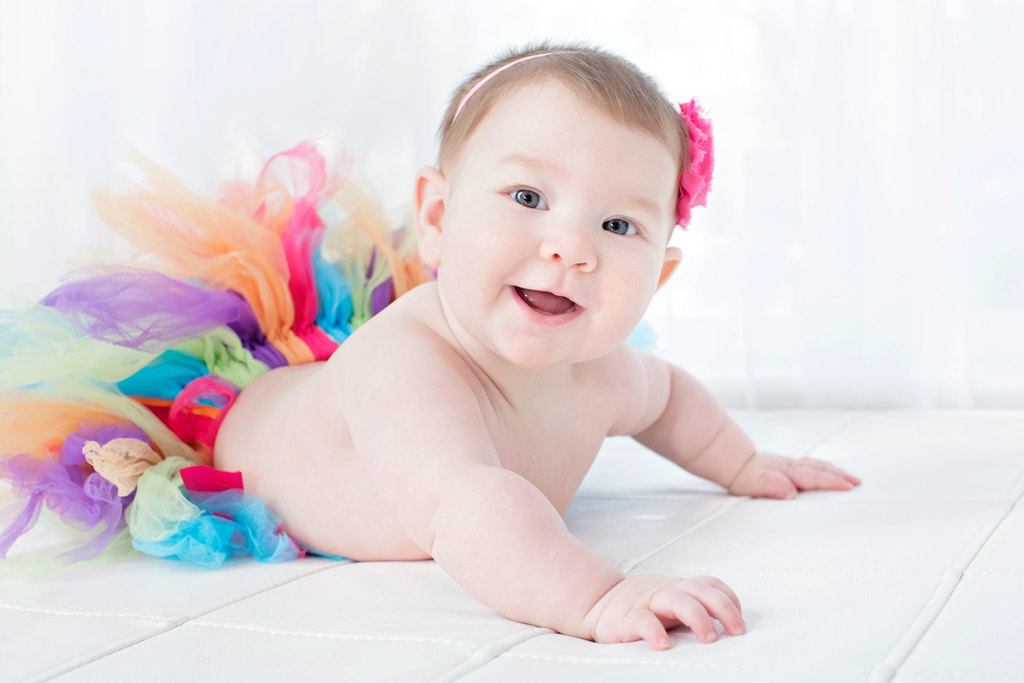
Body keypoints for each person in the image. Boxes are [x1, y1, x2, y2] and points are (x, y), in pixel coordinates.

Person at [0, 40, 861, 650]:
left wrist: (743, 464)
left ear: (659, 276)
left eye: (617, 223)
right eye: (528, 197)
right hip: (236, 430)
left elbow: (670, 399)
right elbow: (466, 506)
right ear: (441, 218)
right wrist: (598, 593)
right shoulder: (407, 366)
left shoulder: (601, 370)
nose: (570, 245)